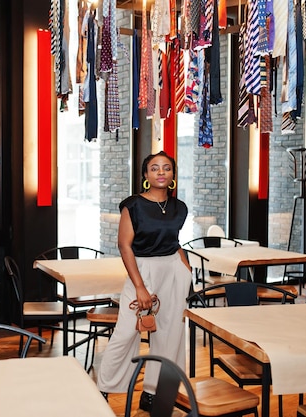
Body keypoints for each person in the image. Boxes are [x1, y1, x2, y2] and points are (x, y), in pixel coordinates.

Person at [97, 151, 193, 412]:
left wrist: (186, 269)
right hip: (142, 270)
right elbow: (124, 245)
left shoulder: (180, 207)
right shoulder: (133, 205)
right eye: (154, 168)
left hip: (173, 270)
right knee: (126, 333)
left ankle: (154, 393)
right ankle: (102, 389)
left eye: (166, 168)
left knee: (171, 335)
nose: (161, 172)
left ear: (173, 175)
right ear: (145, 175)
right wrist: (139, 286)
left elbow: (174, 242)